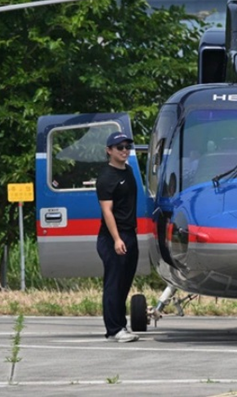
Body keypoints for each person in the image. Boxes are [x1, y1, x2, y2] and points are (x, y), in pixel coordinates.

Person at [95, 131, 140, 343]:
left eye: (127, 147)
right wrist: (116, 239)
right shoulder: (106, 178)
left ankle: (121, 325)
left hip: (130, 234)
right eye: (119, 147)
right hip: (114, 237)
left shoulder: (128, 171)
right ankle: (113, 329)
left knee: (124, 283)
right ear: (109, 151)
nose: (124, 151)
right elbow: (107, 211)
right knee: (113, 283)